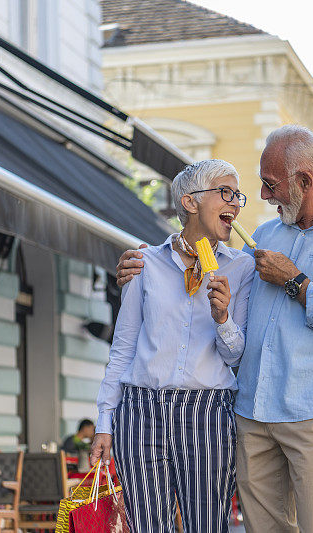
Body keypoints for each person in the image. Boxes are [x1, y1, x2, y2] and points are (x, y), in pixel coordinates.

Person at [117, 125, 313, 532]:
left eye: (270, 184)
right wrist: (149, 259)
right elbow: (207, 274)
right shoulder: (264, 234)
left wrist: (297, 282)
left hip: (312, 413)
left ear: (304, 181)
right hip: (250, 414)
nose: (262, 196)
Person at [90, 160, 255, 532]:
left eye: (237, 195)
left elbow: (236, 356)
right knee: (148, 525)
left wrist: (223, 317)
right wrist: (104, 421)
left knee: (207, 525)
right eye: (225, 192)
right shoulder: (143, 262)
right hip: (141, 410)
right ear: (191, 202)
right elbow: (123, 348)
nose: (235, 203)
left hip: (207, 410)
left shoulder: (240, 268)